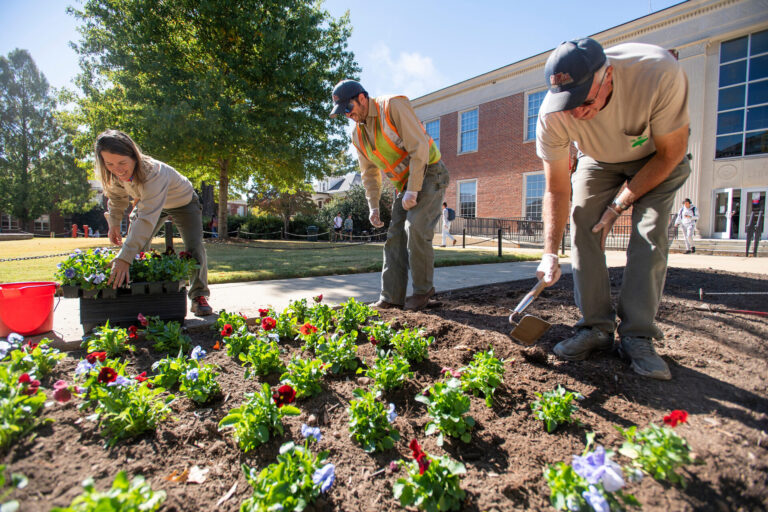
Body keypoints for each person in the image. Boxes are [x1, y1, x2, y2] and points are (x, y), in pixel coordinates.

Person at [535, 38, 691, 380]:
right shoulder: (552, 115)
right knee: (583, 224)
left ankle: (637, 335)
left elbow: (670, 154)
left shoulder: (658, 71)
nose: (577, 112)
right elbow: (557, 187)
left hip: (655, 156)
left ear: (608, 76)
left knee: (648, 233)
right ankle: (596, 328)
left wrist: (618, 205)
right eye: (568, 103)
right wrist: (548, 253)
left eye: (585, 101)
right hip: (599, 159)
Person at [330, 79, 448, 311]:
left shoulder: (392, 106)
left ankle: (424, 293)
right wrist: (373, 206)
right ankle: (391, 297)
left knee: (415, 228)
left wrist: (413, 190)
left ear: (362, 98)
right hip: (405, 184)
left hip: (430, 171)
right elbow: (369, 173)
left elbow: (419, 147)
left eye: (348, 108)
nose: (348, 115)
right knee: (394, 236)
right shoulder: (358, 135)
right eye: (343, 112)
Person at [95, 129, 214, 316]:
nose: (117, 169)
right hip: (151, 202)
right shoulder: (115, 175)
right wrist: (115, 223)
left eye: (122, 163)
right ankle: (140, 290)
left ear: (134, 156)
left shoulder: (153, 172)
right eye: (109, 163)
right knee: (138, 245)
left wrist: (124, 257)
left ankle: (199, 295)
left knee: (194, 246)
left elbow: (146, 218)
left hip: (183, 202)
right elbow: (117, 199)